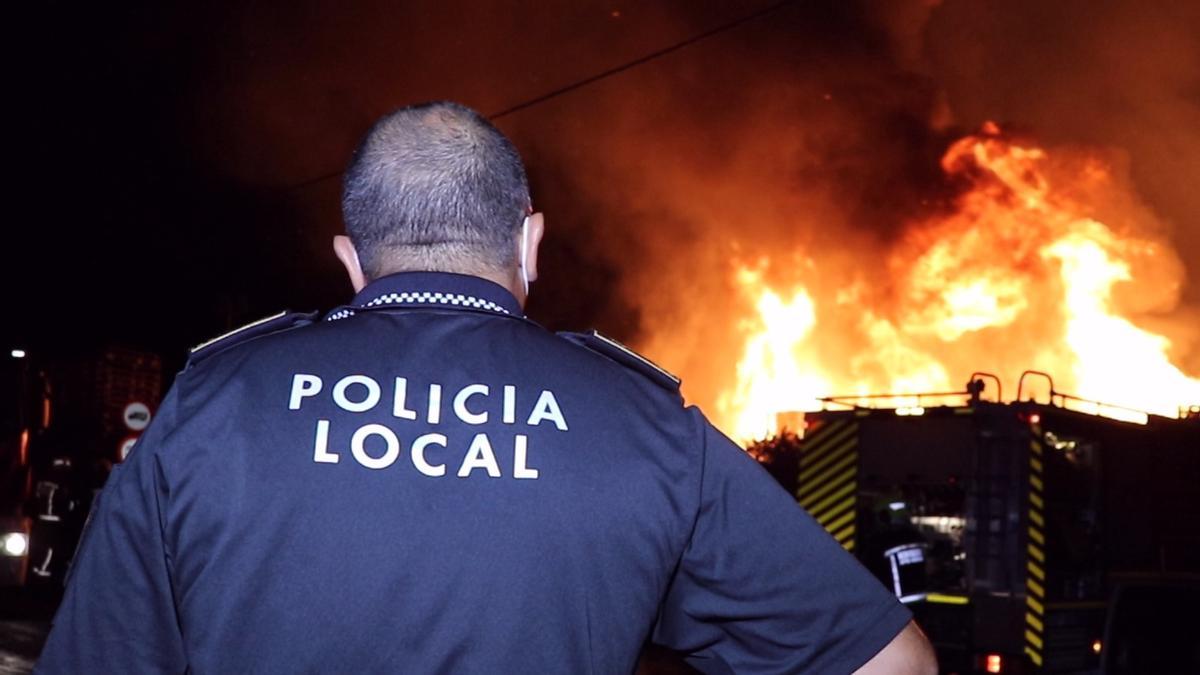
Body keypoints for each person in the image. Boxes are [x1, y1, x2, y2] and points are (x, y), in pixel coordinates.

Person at [36, 101, 935, 674]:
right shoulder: (643, 429)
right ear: (531, 242)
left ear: (351, 258)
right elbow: (889, 661)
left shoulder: (211, 405)